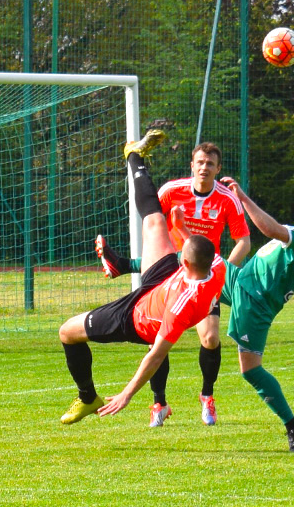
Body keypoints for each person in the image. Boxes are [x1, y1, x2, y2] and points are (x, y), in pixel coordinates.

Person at [59, 129, 226, 426]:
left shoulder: (181, 307)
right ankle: (134, 156)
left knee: (67, 332)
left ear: (185, 262)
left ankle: (87, 397)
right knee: (155, 221)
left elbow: (155, 356)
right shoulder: (217, 266)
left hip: (137, 317)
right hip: (164, 281)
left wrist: (126, 394)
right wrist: (181, 228)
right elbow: (201, 250)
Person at [95, 141, 251, 427]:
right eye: (200, 162)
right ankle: (159, 403)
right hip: (170, 273)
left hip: (201, 276)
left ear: (218, 168)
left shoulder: (228, 199)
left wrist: (219, 270)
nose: (204, 168)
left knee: (210, 338)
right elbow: (152, 220)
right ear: (192, 165)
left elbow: (244, 242)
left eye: (210, 164)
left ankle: (207, 396)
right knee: (158, 339)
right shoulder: (171, 191)